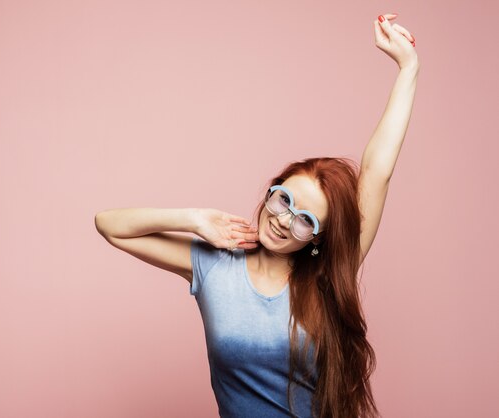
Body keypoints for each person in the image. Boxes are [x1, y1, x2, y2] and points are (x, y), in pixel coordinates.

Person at [95, 13, 418, 418]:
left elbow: (377, 172)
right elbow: (110, 225)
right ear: (270, 191)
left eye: (305, 219)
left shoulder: (328, 275)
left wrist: (408, 68)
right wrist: (194, 218)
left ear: (317, 237)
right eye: (284, 200)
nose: (285, 219)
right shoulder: (214, 265)